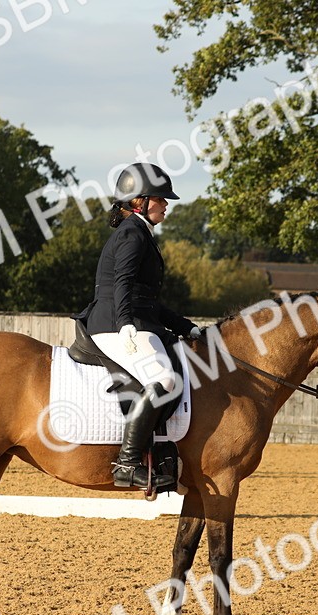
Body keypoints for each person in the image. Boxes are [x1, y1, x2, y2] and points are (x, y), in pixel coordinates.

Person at [74, 163, 200, 489]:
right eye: (161, 198)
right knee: (164, 379)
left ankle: (159, 452)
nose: (167, 204)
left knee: (180, 369)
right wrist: (125, 323)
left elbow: (149, 300)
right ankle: (127, 464)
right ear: (139, 201)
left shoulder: (142, 233)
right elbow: (123, 282)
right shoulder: (132, 234)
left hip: (136, 319)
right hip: (115, 323)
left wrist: (187, 328)